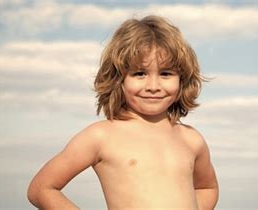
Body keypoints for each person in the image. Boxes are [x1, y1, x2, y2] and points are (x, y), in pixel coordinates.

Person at [27, 15, 218, 210]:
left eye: (166, 73)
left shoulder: (191, 139)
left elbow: (206, 188)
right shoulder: (101, 135)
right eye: (139, 73)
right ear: (119, 79)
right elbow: (42, 188)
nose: (153, 86)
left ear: (182, 79)